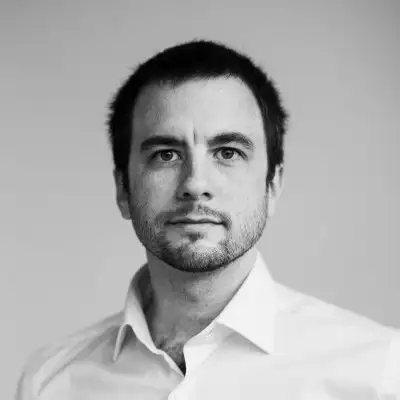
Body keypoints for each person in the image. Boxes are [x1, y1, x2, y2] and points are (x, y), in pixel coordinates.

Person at [16, 40, 400, 399]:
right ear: (122, 189)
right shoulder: (48, 382)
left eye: (228, 152)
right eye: (166, 155)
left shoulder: (379, 373)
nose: (195, 184)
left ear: (273, 185)